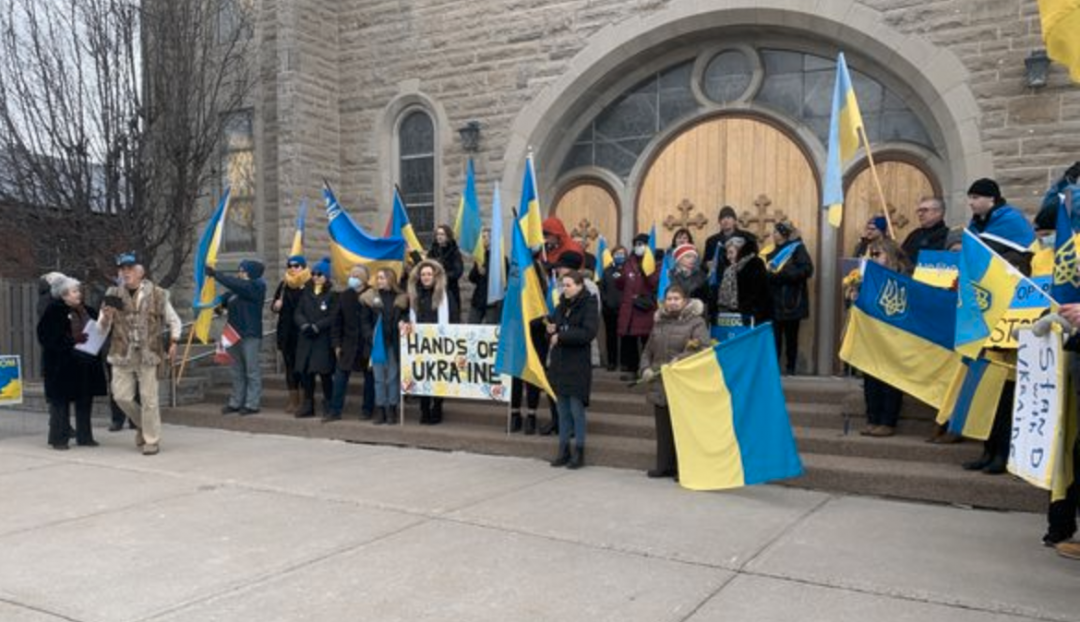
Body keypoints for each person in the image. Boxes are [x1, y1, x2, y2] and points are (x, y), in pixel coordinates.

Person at [963, 178, 1035, 475]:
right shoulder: (978, 224)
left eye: (976, 197)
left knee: (1006, 396)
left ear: (991, 199)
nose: (971, 203)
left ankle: (1002, 454)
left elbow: (1013, 262)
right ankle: (988, 449)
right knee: (987, 392)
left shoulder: (1011, 222)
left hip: (1011, 319)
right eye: (969, 197)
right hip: (985, 318)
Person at [99, 253, 182, 456]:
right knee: (121, 396)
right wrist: (105, 318)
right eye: (122, 269)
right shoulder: (113, 294)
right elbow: (102, 328)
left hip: (149, 352)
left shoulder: (157, 293)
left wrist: (174, 341)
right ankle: (144, 427)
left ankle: (151, 440)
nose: (125, 272)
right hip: (121, 352)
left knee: (149, 399)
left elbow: (174, 320)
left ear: (140, 271)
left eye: (129, 268)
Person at [638, 284, 709, 479]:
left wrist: (680, 361)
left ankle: (683, 468)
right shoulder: (659, 322)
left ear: (685, 301)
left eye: (676, 298)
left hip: (682, 383)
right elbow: (648, 350)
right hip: (659, 381)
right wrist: (645, 368)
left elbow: (701, 348)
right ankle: (664, 466)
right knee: (663, 429)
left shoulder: (696, 323)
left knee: (682, 429)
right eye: (669, 298)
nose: (672, 302)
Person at [36, 274, 107, 450]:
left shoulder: (88, 310)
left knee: (85, 401)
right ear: (64, 294)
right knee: (60, 403)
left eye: (78, 291)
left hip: (85, 363)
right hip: (61, 365)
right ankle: (59, 439)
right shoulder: (53, 311)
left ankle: (85, 436)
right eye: (74, 291)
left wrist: (105, 320)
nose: (78, 294)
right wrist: (72, 339)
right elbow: (45, 337)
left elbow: (100, 328)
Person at [858, 239, 912, 438]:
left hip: (893, 337)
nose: (871, 259)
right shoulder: (869, 277)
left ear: (889, 255)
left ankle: (888, 421)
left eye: (876, 254)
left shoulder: (904, 277)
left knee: (889, 381)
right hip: (872, 335)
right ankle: (872, 419)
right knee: (870, 379)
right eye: (870, 255)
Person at [548, 270, 599, 469]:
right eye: (563, 285)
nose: (565, 289)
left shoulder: (589, 303)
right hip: (559, 363)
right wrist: (550, 329)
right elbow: (554, 328)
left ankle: (579, 451)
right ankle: (563, 450)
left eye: (569, 285)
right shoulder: (561, 304)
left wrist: (561, 335)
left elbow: (588, 332)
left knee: (576, 409)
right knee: (562, 410)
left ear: (579, 286)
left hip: (577, 364)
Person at [206, 259, 266, 416]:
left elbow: (237, 285)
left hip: (250, 335)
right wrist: (215, 307)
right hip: (233, 334)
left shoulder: (257, 286)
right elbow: (222, 304)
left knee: (251, 370)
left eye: (243, 271)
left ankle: (252, 404)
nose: (240, 273)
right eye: (240, 270)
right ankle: (236, 402)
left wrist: (216, 274)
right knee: (236, 370)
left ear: (251, 273)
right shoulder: (234, 292)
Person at [407, 258, 456, 424]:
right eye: (423, 274)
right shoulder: (414, 296)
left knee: (438, 378)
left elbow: (454, 317)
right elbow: (408, 317)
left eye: (429, 274)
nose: (426, 277)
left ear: (435, 276)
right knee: (423, 377)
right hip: (420, 344)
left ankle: (437, 407)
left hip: (440, 343)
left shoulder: (446, 295)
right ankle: (424, 409)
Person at [361, 267, 409, 425]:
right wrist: (370, 335)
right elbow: (364, 321)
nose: (379, 280)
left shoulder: (401, 299)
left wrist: (404, 322)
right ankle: (380, 409)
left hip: (393, 344)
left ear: (390, 279)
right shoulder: (370, 298)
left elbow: (405, 316)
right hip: (377, 344)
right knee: (379, 379)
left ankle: (392, 409)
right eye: (378, 278)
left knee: (393, 378)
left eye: (382, 278)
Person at [765, 222, 814, 375]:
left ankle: (791, 368)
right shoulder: (771, 252)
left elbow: (807, 269)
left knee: (791, 337)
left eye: (776, 232)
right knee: (774, 337)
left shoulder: (797, 248)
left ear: (783, 234)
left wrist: (784, 275)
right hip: (773, 301)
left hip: (791, 300)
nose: (773, 235)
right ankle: (774, 369)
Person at [294, 258, 339, 419]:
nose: (315, 277)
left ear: (326, 276)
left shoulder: (332, 294)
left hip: (322, 339)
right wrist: (304, 325)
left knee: (325, 373)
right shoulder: (306, 292)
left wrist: (317, 326)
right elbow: (298, 312)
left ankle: (329, 403)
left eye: (319, 274)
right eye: (313, 274)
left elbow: (333, 316)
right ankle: (308, 404)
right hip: (306, 338)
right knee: (306, 373)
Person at [328, 265, 371, 422]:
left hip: (366, 344)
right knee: (340, 378)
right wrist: (336, 344)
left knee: (370, 379)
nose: (352, 278)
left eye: (357, 276)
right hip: (347, 344)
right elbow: (336, 322)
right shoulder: (345, 295)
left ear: (365, 279)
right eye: (351, 275)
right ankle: (335, 411)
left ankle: (367, 410)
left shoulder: (372, 294)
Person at [615, 233, 659, 374]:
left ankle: (647, 370)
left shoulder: (656, 263)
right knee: (630, 342)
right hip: (629, 309)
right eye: (636, 244)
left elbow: (655, 284)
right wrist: (618, 275)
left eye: (641, 244)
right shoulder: (628, 262)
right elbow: (621, 284)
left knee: (647, 341)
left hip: (645, 308)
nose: (638, 247)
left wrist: (646, 271)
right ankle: (632, 370)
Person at [272, 255, 310, 414]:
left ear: (303, 267)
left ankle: (305, 401)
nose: (293, 268)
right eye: (290, 265)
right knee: (290, 367)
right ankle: (293, 400)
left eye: (296, 266)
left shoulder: (309, 284)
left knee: (303, 368)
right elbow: (274, 307)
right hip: (286, 332)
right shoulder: (284, 285)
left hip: (302, 333)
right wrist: (276, 306)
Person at [715, 236, 772, 326]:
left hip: (753, 316)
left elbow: (759, 292)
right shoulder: (729, 269)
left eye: (731, 252)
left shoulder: (755, 263)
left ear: (740, 251)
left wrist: (746, 309)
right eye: (727, 253)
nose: (728, 256)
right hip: (732, 317)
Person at [466, 228, 507, 324]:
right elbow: (472, 278)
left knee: (490, 328)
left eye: (484, 237)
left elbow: (504, 280)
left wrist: (486, 272)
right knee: (472, 326)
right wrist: (477, 270)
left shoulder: (501, 259)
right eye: (482, 237)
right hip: (478, 300)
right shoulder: (480, 256)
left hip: (493, 302)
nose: (482, 240)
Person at [427, 224, 464, 323]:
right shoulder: (432, 251)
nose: (439, 236)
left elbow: (458, 271)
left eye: (442, 234)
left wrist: (442, 275)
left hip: (449, 289)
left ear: (448, 236)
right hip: (433, 290)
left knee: (450, 317)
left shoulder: (454, 252)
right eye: (438, 234)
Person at [599, 245, 627, 371]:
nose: (619, 256)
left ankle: (625, 363)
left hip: (625, 309)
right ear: (612, 255)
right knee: (611, 337)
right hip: (609, 310)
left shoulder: (629, 270)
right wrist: (606, 301)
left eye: (622, 253)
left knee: (626, 337)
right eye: (616, 253)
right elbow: (602, 288)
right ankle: (612, 362)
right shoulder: (607, 271)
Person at [704, 205, 754, 273]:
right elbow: (704, 263)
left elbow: (753, 259)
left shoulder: (747, 237)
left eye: (728, 217)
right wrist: (708, 265)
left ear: (735, 221)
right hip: (719, 278)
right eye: (722, 218)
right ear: (719, 222)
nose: (726, 220)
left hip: (741, 276)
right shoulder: (711, 241)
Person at [901, 197, 949, 263]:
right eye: (919, 211)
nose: (920, 214)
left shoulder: (948, 235)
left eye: (925, 210)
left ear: (938, 212)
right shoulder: (914, 235)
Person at [667, 243, 709, 310]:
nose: (692, 259)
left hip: (695, 312)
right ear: (679, 259)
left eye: (694, 257)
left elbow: (706, 300)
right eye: (688, 257)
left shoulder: (701, 276)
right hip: (674, 311)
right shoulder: (669, 275)